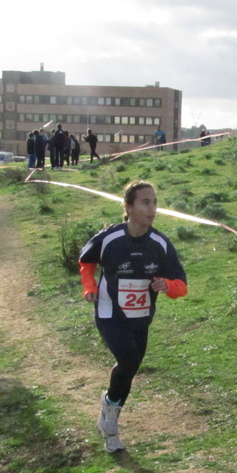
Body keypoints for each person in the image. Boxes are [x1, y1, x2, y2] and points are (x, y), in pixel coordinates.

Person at [78, 181, 188, 452]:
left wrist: (167, 285)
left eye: (154, 202)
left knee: (130, 369)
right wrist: (90, 286)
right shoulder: (109, 238)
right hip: (109, 312)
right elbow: (86, 262)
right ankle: (111, 424)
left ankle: (110, 409)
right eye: (145, 202)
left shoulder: (160, 243)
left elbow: (181, 285)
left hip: (141, 317)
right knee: (127, 358)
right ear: (128, 207)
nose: (152, 208)